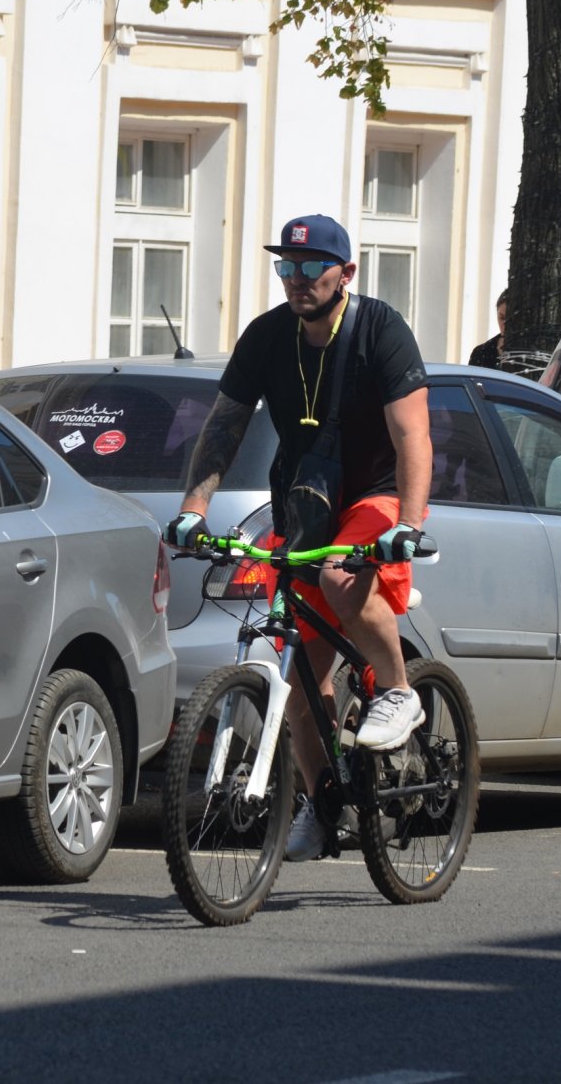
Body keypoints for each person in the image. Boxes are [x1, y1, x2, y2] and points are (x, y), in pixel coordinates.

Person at [162, 214, 432, 863]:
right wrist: (193, 510)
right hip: (306, 498)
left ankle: (399, 691)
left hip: (377, 492)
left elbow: (413, 436)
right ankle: (325, 800)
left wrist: (409, 528)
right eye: (287, 266)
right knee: (303, 683)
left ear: (346, 272)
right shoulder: (268, 336)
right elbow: (225, 426)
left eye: (313, 267)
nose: (298, 279)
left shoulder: (379, 330)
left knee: (343, 576)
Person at [466, 289, 508, 368]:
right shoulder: (481, 352)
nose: (505, 324)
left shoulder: (531, 353)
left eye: (510, 319)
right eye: (501, 318)